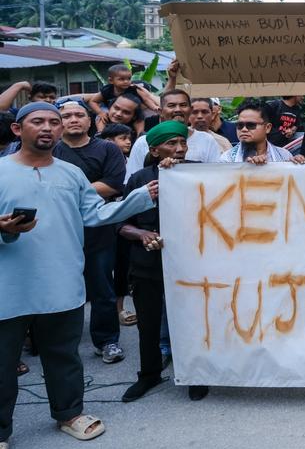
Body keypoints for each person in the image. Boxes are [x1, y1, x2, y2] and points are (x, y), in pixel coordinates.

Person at [1, 102, 157, 449]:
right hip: (7, 286)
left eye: (54, 123)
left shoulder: (71, 174)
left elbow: (95, 214)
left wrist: (137, 199)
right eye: (37, 121)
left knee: (64, 354)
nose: (48, 128)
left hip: (61, 279)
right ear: (17, 130)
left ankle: (69, 413)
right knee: (1, 362)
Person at [117, 121, 209, 403]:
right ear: (155, 150)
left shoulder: (200, 173)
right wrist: (143, 234)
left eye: (182, 143)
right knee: (148, 323)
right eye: (171, 144)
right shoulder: (139, 180)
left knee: (193, 321)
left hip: (191, 265)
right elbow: (121, 224)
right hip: (147, 266)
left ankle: (196, 374)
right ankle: (149, 374)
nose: (179, 149)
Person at [51, 98, 130, 365]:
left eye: (78, 115)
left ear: (90, 120)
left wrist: (66, 189)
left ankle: (107, 341)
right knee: (59, 287)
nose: (73, 119)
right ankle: (60, 346)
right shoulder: (50, 151)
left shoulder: (108, 149)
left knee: (101, 287)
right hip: (59, 228)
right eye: (66, 115)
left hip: (98, 228)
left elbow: (113, 184)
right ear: (59, 122)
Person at [126, 90, 222, 179]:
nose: (178, 110)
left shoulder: (206, 140)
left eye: (183, 105)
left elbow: (216, 177)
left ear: (190, 109)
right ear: (160, 111)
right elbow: (133, 181)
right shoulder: (143, 142)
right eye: (171, 105)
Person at [97, 123, 137, 328]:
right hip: (102, 218)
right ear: (108, 142)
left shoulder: (132, 160)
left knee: (121, 265)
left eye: (129, 137)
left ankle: (120, 308)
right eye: (123, 138)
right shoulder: (101, 160)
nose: (128, 141)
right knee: (102, 268)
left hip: (124, 217)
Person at [219, 101, 305, 164]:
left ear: (267, 128)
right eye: (239, 125)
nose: (244, 129)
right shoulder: (227, 160)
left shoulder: (284, 156)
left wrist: (297, 165)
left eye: (250, 125)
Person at [85, 64, 158, 123]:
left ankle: (140, 133)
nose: (126, 81)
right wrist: (100, 112)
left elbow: (146, 99)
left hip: (130, 112)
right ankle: (100, 133)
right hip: (111, 111)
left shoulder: (134, 89)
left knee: (140, 118)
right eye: (121, 79)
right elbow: (93, 101)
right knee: (100, 118)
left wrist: (154, 107)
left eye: (128, 79)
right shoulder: (107, 90)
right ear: (111, 80)